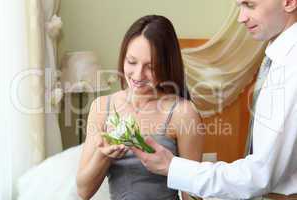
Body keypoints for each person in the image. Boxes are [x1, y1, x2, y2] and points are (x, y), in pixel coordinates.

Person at [131, 0, 297, 199]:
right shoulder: (276, 57)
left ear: (289, 2)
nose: (241, 18)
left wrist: (172, 167)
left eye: (250, 5)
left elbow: (260, 176)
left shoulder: (291, 67)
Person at [76, 15, 204, 200]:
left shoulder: (183, 113)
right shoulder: (101, 107)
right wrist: (104, 156)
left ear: (166, 66)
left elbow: (191, 195)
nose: (137, 74)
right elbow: (83, 191)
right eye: (132, 62)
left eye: (150, 67)